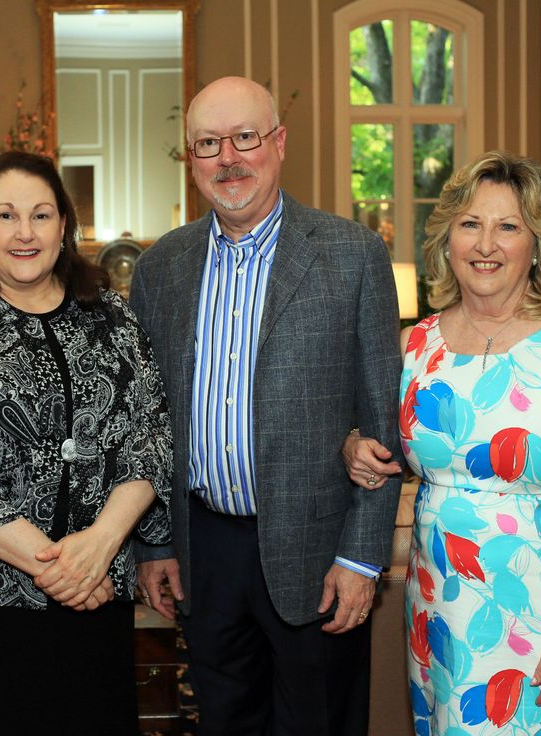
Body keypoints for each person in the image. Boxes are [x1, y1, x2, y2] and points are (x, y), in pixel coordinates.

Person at [129, 76, 404, 735]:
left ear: (278, 143)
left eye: (245, 137)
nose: (229, 157)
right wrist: (155, 541)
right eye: (207, 144)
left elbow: (380, 422)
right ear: (191, 160)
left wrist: (363, 557)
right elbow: (147, 421)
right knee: (224, 721)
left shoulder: (353, 255)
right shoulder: (161, 267)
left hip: (318, 553)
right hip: (205, 551)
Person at [343, 151, 541, 735]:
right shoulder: (413, 345)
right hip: (444, 611)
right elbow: (382, 446)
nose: (487, 244)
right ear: (447, 239)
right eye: (470, 224)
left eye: (508, 226)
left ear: (536, 244)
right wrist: (355, 447)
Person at [0, 150, 172, 735]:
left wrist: (100, 543)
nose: (25, 233)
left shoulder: (113, 319)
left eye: (41, 215)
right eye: (6, 215)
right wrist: (61, 569)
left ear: (64, 226)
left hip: (97, 604)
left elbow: (150, 438)